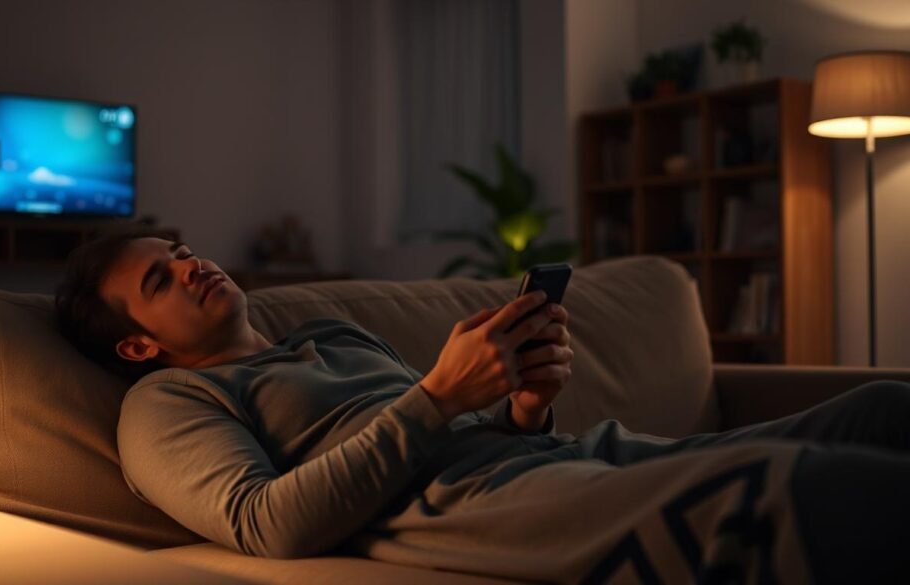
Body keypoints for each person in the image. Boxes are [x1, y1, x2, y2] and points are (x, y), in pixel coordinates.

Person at [56, 231, 910, 584]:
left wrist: (524, 405)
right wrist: (435, 395)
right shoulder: (167, 401)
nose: (191, 264)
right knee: (797, 489)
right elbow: (264, 522)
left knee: (876, 407)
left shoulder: (325, 331)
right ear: (136, 343)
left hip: (552, 454)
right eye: (161, 280)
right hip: (483, 508)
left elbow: (457, 429)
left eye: (179, 252)